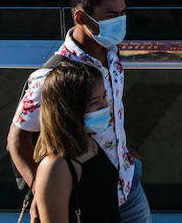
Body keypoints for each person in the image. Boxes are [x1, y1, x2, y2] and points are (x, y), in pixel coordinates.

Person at [7, 0, 152, 223]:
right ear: (81, 17)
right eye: (111, 16)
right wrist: (42, 193)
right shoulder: (54, 76)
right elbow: (16, 139)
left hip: (128, 185)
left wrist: (124, 151)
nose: (121, 21)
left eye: (123, 13)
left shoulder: (112, 53)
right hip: (88, 195)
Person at [32, 60, 120, 223]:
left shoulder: (89, 144)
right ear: (69, 110)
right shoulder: (56, 167)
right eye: (95, 102)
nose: (104, 105)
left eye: (103, 97)